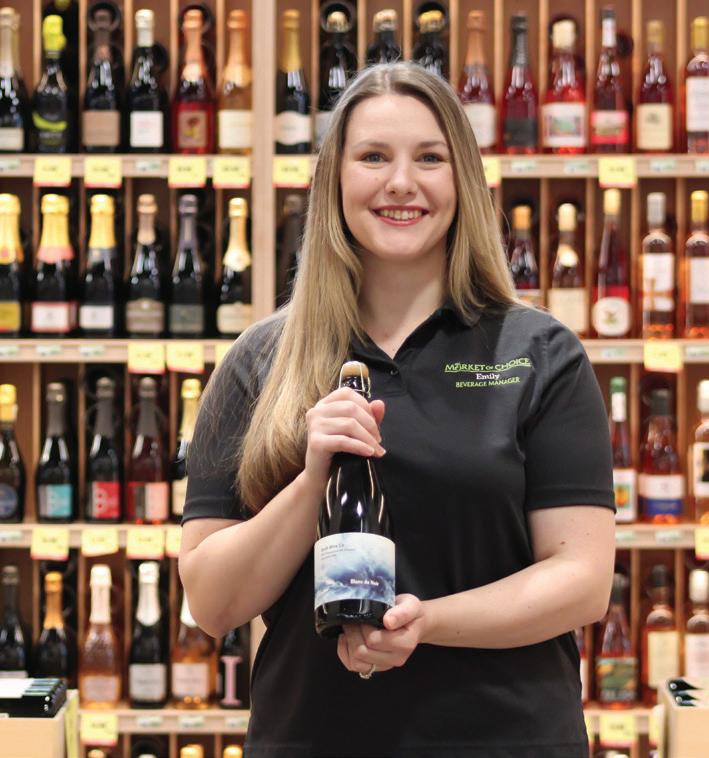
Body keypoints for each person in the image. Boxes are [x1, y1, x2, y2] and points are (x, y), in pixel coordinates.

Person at [178, 62, 615, 757]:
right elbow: (211, 602)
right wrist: (312, 478)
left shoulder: (539, 353)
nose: (402, 182)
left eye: (430, 159)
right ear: (334, 180)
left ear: (463, 181)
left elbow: (582, 582)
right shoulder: (262, 361)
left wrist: (426, 622)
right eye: (374, 157)